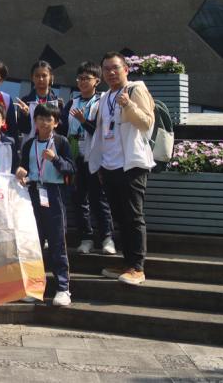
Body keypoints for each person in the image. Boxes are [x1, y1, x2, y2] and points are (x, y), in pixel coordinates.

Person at [93, 52, 156, 286]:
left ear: (126, 69)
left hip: (131, 164)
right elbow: (103, 132)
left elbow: (147, 123)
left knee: (133, 216)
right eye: (106, 69)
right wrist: (99, 164)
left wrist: (128, 105)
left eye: (115, 68)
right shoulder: (104, 97)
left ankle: (137, 267)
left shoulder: (135, 89)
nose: (111, 73)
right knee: (120, 217)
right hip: (109, 165)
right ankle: (127, 263)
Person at [16, 103, 74, 307]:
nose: (44, 122)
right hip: (33, 192)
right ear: (35, 121)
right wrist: (21, 172)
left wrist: (56, 159)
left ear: (56, 123)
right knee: (34, 242)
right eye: (40, 118)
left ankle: (63, 288)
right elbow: (24, 167)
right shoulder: (28, 144)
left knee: (57, 242)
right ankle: (34, 288)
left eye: (49, 119)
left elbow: (70, 169)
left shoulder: (61, 141)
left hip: (54, 192)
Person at [65, 61, 115, 255]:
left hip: (95, 157)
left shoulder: (102, 101)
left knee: (98, 199)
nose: (82, 82)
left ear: (97, 81)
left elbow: (102, 130)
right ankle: (86, 238)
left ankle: (107, 238)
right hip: (75, 156)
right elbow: (62, 127)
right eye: (80, 78)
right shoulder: (72, 102)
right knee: (79, 199)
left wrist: (83, 121)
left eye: (87, 78)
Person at [13, 60, 65, 146]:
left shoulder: (58, 102)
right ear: (32, 78)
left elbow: (62, 130)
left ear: (51, 77)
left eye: (44, 75)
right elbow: (23, 129)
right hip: (29, 147)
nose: (40, 79)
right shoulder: (25, 101)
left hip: (51, 147)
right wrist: (26, 115)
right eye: (37, 76)